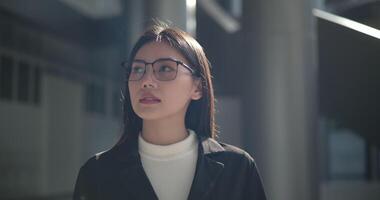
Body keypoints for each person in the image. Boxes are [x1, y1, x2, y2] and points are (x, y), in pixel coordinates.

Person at [73, 22, 266, 200]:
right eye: (138, 69)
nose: (146, 80)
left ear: (198, 88)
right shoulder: (97, 173)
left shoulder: (238, 168)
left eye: (165, 68)